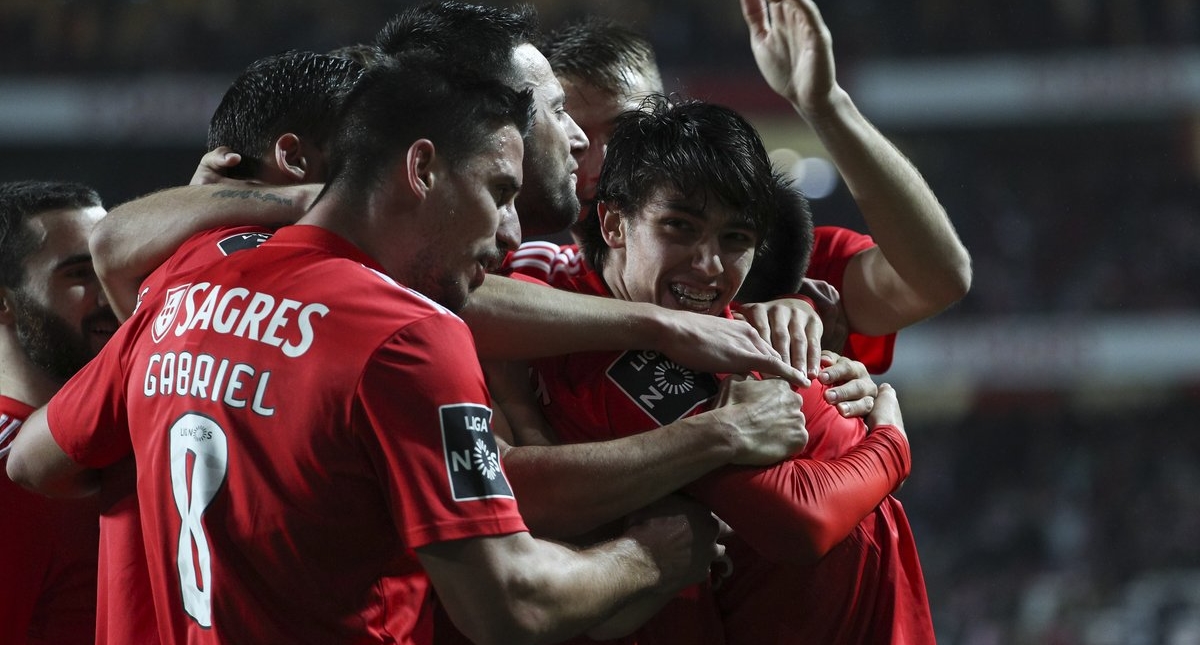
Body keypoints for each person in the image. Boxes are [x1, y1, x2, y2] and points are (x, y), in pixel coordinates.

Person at [7, 55, 724, 645]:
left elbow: (37, 460)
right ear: (421, 168)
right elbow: (509, 607)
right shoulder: (410, 336)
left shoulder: (189, 278)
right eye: (498, 190)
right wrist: (651, 557)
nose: (511, 231)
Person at [520, 95, 933, 644]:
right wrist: (890, 443)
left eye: (735, 239)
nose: (709, 264)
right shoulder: (632, 370)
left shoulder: (686, 324)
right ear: (614, 224)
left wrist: (796, 307)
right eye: (680, 227)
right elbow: (800, 521)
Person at [521, 0, 973, 376]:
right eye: (576, 133)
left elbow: (936, 280)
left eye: (626, 130)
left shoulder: (759, 261)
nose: (601, 161)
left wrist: (827, 106)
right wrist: (659, 326)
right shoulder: (524, 282)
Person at [0, 180, 112, 645]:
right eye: (79, 275)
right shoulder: (7, 477)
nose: (108, 293)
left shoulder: (119, 438)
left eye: (112, 267)